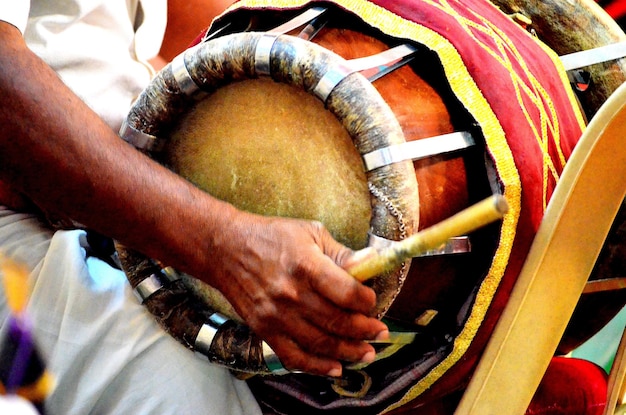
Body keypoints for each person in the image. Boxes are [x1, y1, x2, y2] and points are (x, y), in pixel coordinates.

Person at [0, 1, 388, 413]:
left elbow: (121, 55)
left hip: (118, 193)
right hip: (22, 214)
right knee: (175, 384)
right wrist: (221, 243)